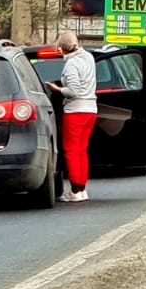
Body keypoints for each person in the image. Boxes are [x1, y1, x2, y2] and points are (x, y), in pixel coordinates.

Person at [44, 29, 98, 202]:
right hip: (91, 109)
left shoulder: (71, 65)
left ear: (62, 48)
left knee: (71, 151)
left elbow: (73, 91)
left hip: (75, 110)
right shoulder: (88, 57)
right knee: (82, 151)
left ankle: (75, 189)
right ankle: (82, 188)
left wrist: (57, 89)